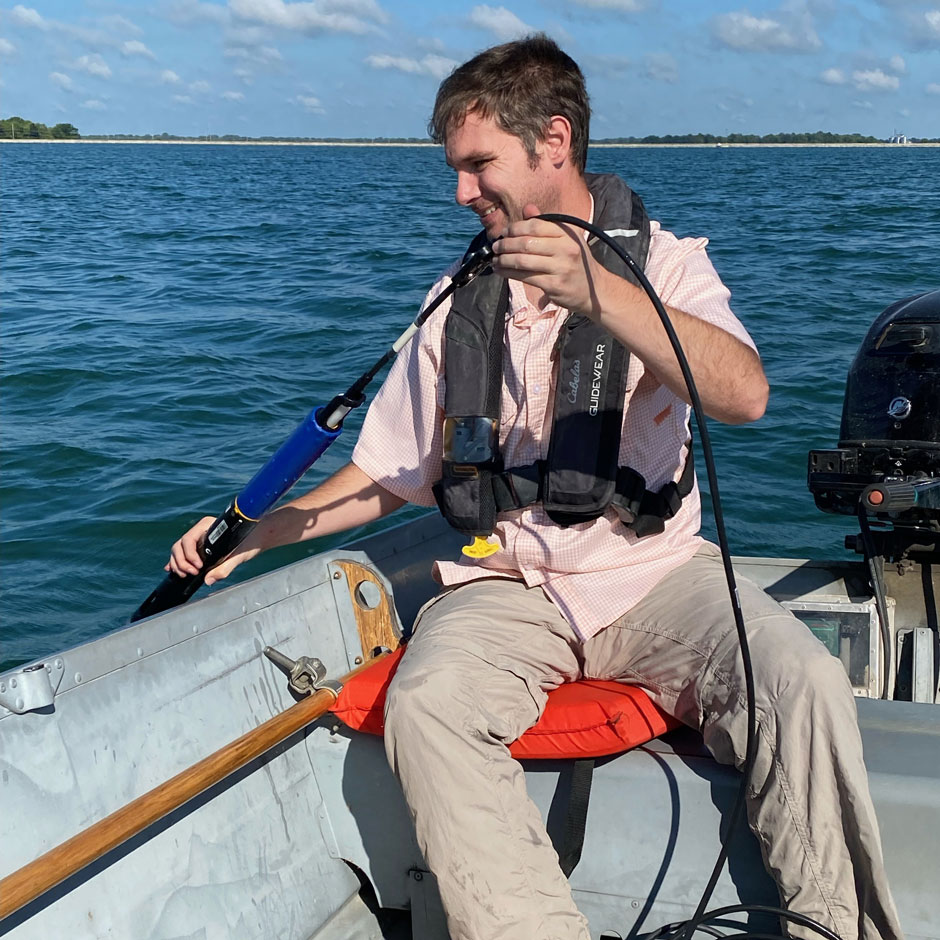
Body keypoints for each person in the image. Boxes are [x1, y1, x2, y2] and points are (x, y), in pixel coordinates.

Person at [168, 35, 902, 940]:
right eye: (457, 172)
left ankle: (827, 928)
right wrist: (254, 534)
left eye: (478, 167)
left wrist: (602, 294)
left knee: (802, 682)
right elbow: (387, 475)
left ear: (554, 141)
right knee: (429, 705)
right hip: (508, 583)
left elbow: (745, 393)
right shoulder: (457, 299)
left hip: (656, 574)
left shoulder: (664, 266)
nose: (461, 193)